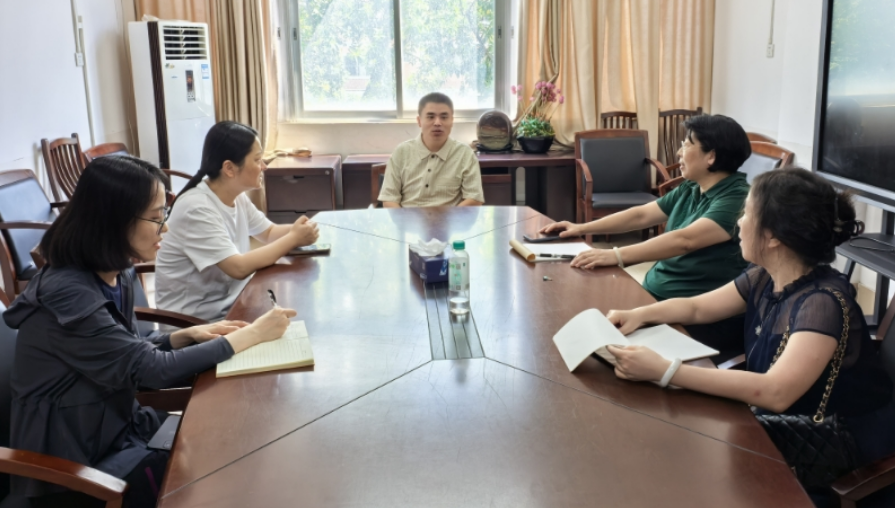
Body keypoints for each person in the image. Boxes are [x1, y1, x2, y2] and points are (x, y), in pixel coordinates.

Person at [2, 156, 296, 508]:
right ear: (115, 220)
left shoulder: (116, 271)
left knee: (227, 445)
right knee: (215, 477)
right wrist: (250, 335)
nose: (165, 229)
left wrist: (182, 336)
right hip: (71, 465)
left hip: (114, 426)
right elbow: (150, 371)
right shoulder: (67, 293)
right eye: (157, 218)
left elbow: (124, 350)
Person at [604, 168, 895, 506]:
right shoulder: (765, 276)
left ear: (772, 237)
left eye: (747, 213)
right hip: (782, 423)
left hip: (831, 451)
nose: (739, 222)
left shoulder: (822, 303)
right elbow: (697, 308)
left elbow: (776, 392)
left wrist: (665, 371)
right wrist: (639, 314)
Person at [542, 114, 752, 357]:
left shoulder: (737, 197)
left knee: (600, 349)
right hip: (656, 299)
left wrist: (616, 255)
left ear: (711, 156)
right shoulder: (693, 186)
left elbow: (685, 240)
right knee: (576, 322)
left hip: (695, 317)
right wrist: (581, 228)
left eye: (686, 145)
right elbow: (641, 215)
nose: (679, 153)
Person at [156, 121, 319, 322]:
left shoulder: (236, 196)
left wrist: (302, 230)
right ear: (229, 168)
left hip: (231, 305)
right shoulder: (196, 208)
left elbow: (269, 232)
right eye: (257, 160)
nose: (264, 167)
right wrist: (294, 238)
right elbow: (238, 268)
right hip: (196, 323)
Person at [378, 92, 485, 208]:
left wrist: (450, 218)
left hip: (451, 218)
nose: (437, 123)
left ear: (452, 121)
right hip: (408, 217)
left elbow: (474, 198)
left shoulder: (465, 154)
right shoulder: (401, 152)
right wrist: (404, 220)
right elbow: (389, 199)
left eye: (444, 117)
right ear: (419, 121)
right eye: (430, 117)